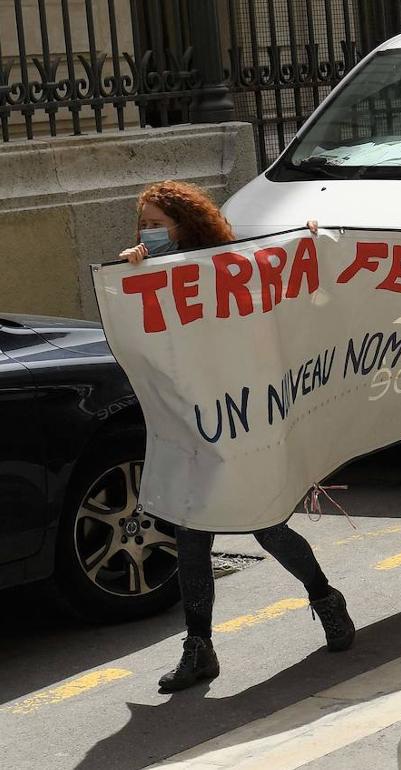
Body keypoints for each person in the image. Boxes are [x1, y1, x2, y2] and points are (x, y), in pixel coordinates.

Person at [119, 181, 356, 693]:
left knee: (266, 525)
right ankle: (199, 647)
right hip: (193, 421)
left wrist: (309, 241)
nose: (149, 232)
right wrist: (131, 269)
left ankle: (324, 598)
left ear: (185, 223)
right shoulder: (152, 272)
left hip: (243, 417)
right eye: (145, 224)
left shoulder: (229, 261)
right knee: (190, 537)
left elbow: (282, 271)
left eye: (158, 223)